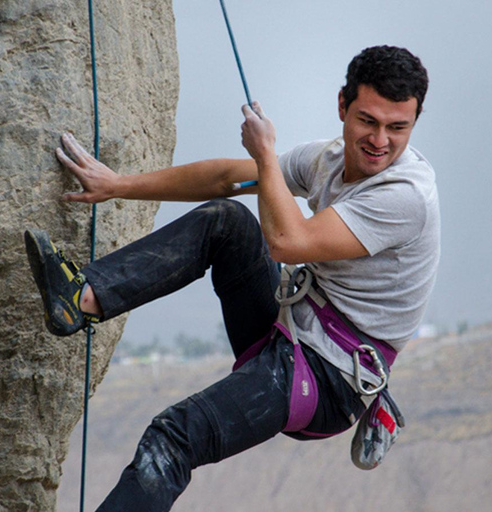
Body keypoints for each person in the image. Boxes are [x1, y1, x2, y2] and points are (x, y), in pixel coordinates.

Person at [25, 45, 439, 511]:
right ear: (342, 104)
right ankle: (81, 297)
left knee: (173, 438)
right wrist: (118, 185)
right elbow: (226, 179)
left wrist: (264, 153)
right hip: (289, 332)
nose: (380, 140)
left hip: (327, 379)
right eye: (368, 121)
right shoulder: (327, 160)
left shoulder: (404, 197)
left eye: (397, 127)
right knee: (228, 220)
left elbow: (286, 242)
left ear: (415, 121)